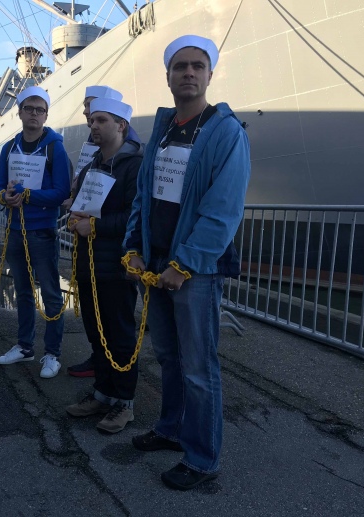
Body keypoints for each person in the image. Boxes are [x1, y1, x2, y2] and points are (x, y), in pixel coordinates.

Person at [123, 35, 250, 490]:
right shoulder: (163, 130)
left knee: (199, 368)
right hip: (155, 262)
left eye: (198, 65)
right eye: (181, 66)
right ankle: (171, 429)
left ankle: (202, 458)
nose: (189, 73)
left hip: (193, 271)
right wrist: (132, 246)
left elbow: (223, 210)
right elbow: (145, 194)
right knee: (169, 357)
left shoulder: (226, 132)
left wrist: (185, 264)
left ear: (210, 74)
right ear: (168, 76)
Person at [65, 98, 143, 434]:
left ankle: (124, 402)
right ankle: (103, 393)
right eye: (92, 120)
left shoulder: (134, 166)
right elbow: (81, 207)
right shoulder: (90, 168)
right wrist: (74, 218)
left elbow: (136, 216)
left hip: (116, 265)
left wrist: (94, 226)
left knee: (120, 335)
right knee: (96, 333)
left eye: (101, 120)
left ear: (121, 125)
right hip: (88, 263)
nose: (93, 125)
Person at [0, 86, 71, 379]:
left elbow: (61, 192)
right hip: (15, 229)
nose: (34, 114)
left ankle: (52, 353)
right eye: (29, 108)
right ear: (20, 112)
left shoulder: (55, 148)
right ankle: (25, 346)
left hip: (42, 231)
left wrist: (27, 195)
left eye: (40, 110)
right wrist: (4, 197)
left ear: (46, 115)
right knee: (23, 291)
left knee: (51, 293)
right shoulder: (9, 148)